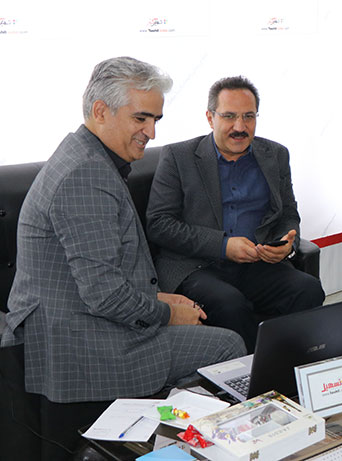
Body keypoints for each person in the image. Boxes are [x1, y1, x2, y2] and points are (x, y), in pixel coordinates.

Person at [1, 57, 247, 406]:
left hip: (82, 321)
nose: (152, 132)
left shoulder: (84, 155)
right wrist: (169, 314)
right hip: (83, 346)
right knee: (228, 346)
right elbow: (105, 296)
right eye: (140, 118)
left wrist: (161, 299)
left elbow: (100, 276)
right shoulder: (85, 176)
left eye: (155, 119)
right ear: (101, 111)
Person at [146, 76, 325, 353]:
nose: (240, 127)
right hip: (196, 266)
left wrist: (285, 244)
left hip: (258, 264)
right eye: (229, 116)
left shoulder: (276, 154)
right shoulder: (179, 157)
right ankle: (253, 374)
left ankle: (290, 364)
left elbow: (288, 213)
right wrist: (223, 245)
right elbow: (159, 224)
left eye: (248, 117)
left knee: (309, 289)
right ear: (210, 118)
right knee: (230, 305)